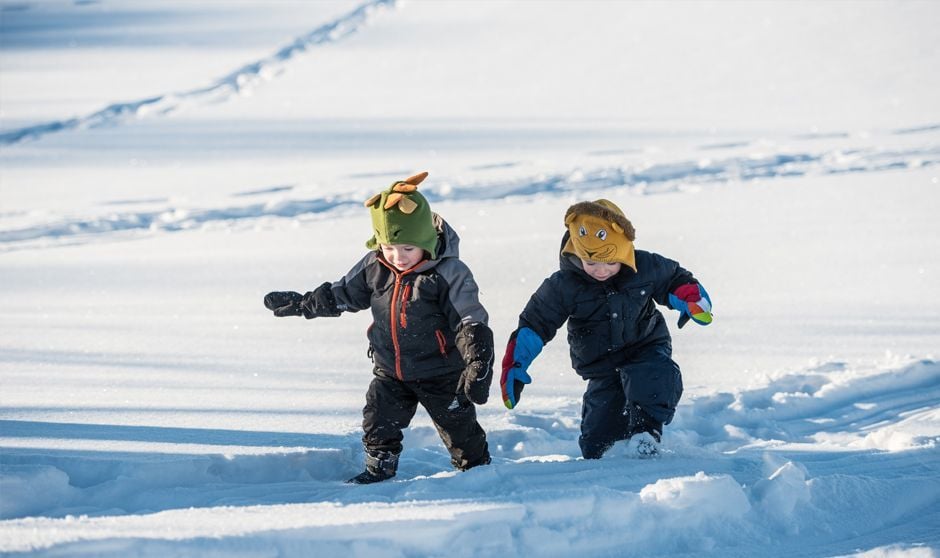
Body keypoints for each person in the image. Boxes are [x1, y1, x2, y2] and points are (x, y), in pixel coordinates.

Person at [264, 172, 494, 484]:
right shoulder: (375, 266)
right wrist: (305, 303)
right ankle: (379, 468)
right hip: (391, 371)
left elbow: (469, 319)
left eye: (408, 249)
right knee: (377, 420)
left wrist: (478, 361)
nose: (397, 257)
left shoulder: (448, 273)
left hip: (441, 373)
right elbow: (343, 294)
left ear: (426, 240)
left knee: (459, 429)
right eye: (390, 247)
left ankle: (478, 471)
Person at [500, 199, 712, 459]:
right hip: (601, 363)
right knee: (598, 440)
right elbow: (536, 322)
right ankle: (604, 458)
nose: (601, 271)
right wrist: (516, 364)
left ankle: (646, 435)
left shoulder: (644, 267)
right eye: (592, 264)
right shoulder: (564, 285)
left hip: (645, 346)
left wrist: (692, 300)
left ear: (623, 252)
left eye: (610, 263)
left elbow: (675, 280)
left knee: (653, 376)